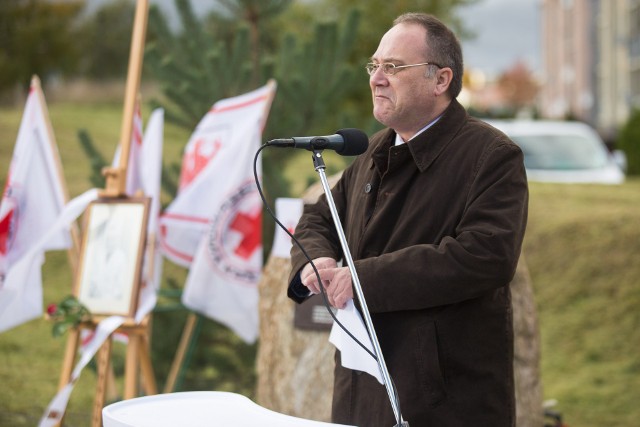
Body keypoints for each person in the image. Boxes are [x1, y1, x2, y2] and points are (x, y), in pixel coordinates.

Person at [287, 12, 529, 427]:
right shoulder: (373, 151)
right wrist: (316, 260)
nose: (377, 78)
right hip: (361, 392)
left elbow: (485, 256)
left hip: (442, 401)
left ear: (441, 80)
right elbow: (317, 218)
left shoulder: (491, 156)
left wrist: (364, 279)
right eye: (375, 65)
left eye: (394, 67)